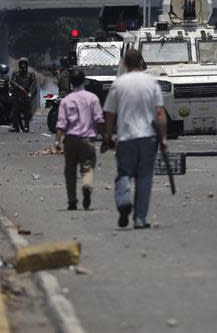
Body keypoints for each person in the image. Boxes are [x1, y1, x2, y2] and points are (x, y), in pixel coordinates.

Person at [102, 49, 167, 229]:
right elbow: (160, 113)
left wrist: (108, 136)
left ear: (124, 63)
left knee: (124, 173)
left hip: (126, 137)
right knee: (144, 178)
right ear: (141, 61)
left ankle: (123, 202)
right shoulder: (151, 83)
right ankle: (140, 219)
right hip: (148, 138)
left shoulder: (118, 84)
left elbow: (110, 114)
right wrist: (163, 139)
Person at [55, 69, 104, 211]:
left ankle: (72, 201)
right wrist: (106, 138)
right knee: (87, 167)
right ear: (84, 81)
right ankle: (87, 186)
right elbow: (99, 120)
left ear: (71, 83)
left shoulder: (66, 100)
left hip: (70, 140)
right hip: (87, 139)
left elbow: (61, 124)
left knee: (70, 171)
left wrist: (57, 142)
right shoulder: (92, 98)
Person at [10, 57, 36, 132]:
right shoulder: (16, 73)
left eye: (24, 64)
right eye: (22, 64)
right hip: (18, 94)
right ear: (19, 65)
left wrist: (30, 92)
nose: (23, 65)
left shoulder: (30, 75)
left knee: (27, 112)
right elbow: (12, 82)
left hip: (26, 95)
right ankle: (15, 127)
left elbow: (33, 84)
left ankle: (26, 126)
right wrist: (19, 87)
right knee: (15, 112)